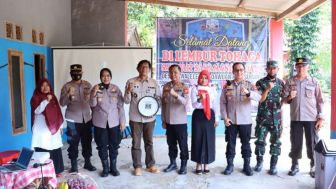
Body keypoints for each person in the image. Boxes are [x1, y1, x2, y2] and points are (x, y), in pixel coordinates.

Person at [285, 57, 324, 178]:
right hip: (296, 118)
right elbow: (285, 100)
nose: (300, 68)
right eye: (298, 66)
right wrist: (290, 97)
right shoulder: (290, 82)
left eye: (303, 66)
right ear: (295, 67)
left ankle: (314, 165)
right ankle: (295, 164)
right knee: (295, 143)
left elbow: (320, 101)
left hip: (311, 119)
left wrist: (321, 117)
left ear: (308, 67)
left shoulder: (314, 82)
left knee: (312, 143)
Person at [220, 62, 261, 176]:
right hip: (231, 120)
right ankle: (230, 165)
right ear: (233, 72)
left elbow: (259, 97)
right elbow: (222, 103)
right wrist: (225, 117)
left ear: (244, 71)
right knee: (230, 144)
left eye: (241, 70)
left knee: (246, 144)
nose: (239, 72)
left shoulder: (250, 85)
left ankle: (246, 166)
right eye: (236, 70)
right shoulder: (227, 86)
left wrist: (249, 93)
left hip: (245, 120)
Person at [124, 60, 161, 176]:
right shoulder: (131, 82)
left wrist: (154, 109)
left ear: (149, 70)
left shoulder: (154, 83)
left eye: (146, 67)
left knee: (149, 142)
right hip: (135, 118)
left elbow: (158, 99)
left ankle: (150, 165)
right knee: (136, 143)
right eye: (142, 67)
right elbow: (126, 101)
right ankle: (137, 166)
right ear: (138, 69)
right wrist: (128, 91)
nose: (144, 69)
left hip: (150, 119)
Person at [59, 64, 96, 173]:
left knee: (87, 142)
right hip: (72, 119)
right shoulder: (66, 86)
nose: (77, 75)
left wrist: (91, 96)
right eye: (74, 73)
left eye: (78, 73)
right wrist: (68, 95)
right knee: (73, 143)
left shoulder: (87, 85)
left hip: (86, 118)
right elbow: (62, 103)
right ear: (71, 74)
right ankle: (74, 165)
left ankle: (87, 162)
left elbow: (92, 102)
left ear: (82, 73)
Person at [90, 68, 126, 177]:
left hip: (114, 122)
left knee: (114, 145)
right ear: (100, 77)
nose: (105, 77)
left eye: (107, 75)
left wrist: (122, 121)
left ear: (110, 77)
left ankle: (113, 168)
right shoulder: (95, 88)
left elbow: (120, 106)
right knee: (102, 146)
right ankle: (105, 168)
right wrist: (94, 93)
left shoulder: (116, 89)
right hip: (100, 123)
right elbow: (92, 105)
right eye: (103, 76)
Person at [254, 60, 285, 175]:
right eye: (270, 68)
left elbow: (284, 100)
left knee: (276, 142)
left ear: (277, 69)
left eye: (274, 68)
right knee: (260, 142)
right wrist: (267, 89)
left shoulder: (281, 83)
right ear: (266, 69)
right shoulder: (260, 83)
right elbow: (259, 99)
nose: (272, 70)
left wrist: (290, 97)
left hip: (276, 119)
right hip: (263, 118)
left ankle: (273, 166)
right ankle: (259, 163)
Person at [31, 78, 64, 177]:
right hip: (41, 128)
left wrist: (61, 126)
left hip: (53, 128)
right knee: (43, 150)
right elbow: (37, 111)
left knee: (55, 149)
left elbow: (58, 112)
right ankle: (45, 173)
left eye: (47, 85)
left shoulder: (53, 96)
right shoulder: (35, 97)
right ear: (39, 87)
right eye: (43, 85)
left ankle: (57, 171)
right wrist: (46, 101)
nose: (45, 87)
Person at [161, 64, 190, 175]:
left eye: (175, 72)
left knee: (183, 144)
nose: (173, 74)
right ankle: (173, 163)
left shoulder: (184, 87)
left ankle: (183, 165)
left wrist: (176, 95)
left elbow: (186, 102)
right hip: (169, 122)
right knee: (171, 144)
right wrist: (163, 119)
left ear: (180, 73)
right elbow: (164, 104)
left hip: (180, 122)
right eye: (171, 72)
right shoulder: (166, 87)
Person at [190, 70, 219, 175]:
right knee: (198, 139)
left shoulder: (212, 89)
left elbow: (216, 105)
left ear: (208, 79)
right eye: (202, 77)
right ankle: (198, 163)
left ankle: (206, 163)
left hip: (209, 115)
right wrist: (200, 99)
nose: (203, 80)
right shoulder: (195, 89)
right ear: (199, 78)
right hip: (198, 115)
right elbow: (194, 105)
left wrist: (216, 118)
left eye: (206, 78)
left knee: (209, 139)